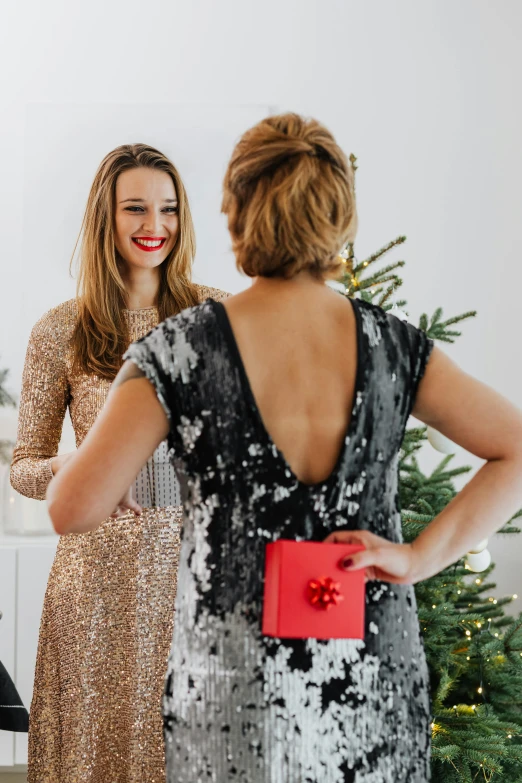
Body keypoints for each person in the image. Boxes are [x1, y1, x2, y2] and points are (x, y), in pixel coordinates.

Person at [46, 115, 522, 783]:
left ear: (236, 210)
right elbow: (516, 448)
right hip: (368, 673)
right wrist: (416, 558)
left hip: (229, 687)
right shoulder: (394, 347)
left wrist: (113, 468)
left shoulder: (179, 349)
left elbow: (72, 508)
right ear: (339, 214)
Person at [10, 143, 227, 783]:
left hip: (195, 574)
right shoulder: (63, 328)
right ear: (104, 216)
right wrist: (85, 467)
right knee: (91, 756)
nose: (153, 226)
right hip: (94, 581)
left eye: (167, 209)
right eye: (135, 208)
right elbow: (24, 466)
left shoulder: (218, 317)